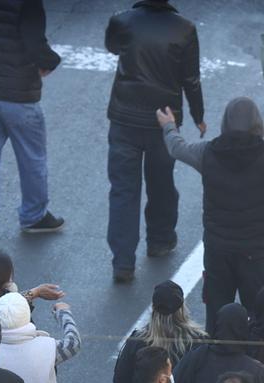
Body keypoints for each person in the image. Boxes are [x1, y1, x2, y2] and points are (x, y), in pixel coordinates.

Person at [105, 0, 204, 282]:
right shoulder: (184, 29)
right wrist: (198, 113)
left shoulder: (122, 21)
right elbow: (191, 78)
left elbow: (113, 47)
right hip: (164, 119)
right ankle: (160, 240)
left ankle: (123, 262)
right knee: (161, 183)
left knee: (123, 191)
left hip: (124, 118)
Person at [160, 99, 264, 329]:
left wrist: (169, 126)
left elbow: (177, 148)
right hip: (256, 252)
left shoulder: (208, 152)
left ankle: (215, 358)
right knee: (258, 314)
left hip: (218, 249)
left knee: (217, 312)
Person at [0, 0, 63, 236]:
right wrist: (50, 61)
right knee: (32, 158)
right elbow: (34, 41)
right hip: (18, 93)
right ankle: (34, 215)